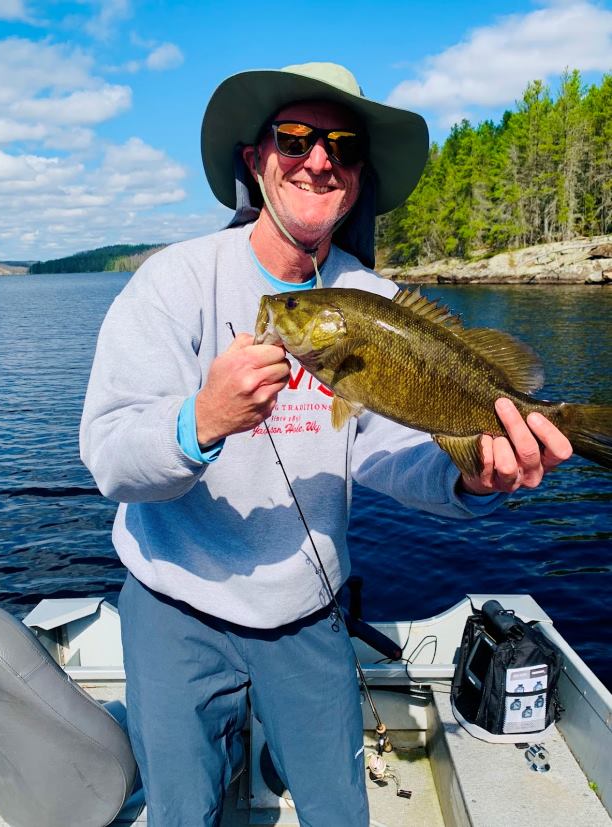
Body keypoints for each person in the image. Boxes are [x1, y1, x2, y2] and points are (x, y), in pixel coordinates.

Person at [80, 62, 572, 826]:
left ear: (358, 175)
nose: (319, 159)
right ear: (256, 159)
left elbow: (381, 454)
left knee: (341, 811)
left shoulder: (373, 302)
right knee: (182, 810)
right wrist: (200, 420)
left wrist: (474, 476)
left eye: (340, 146)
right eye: (296, 138)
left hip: (306, 611)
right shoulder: (172, 282)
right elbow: (109, 456)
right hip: (173, 604)